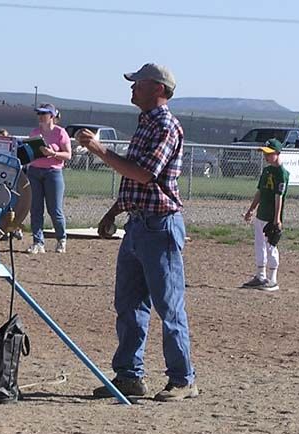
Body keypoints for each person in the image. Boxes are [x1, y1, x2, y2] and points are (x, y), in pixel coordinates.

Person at [76, 63, 197, 401]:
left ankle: (183, 379)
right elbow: (134, 179)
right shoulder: (146, 124)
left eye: (138, 84)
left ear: (158, 89)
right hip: (138, 225)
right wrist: (114, 211)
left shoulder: (166, 127)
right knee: (128, 305)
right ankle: (129, 375)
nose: (132, 89)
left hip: (160, 227)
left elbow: (145, 175)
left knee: (168, 306)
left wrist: (100, 150)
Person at [242, 138, 289, 291]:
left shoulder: (282, 173)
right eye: (265, 153)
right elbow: (260, 192)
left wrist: (276, 219)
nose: (265, 156)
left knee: (271, 246)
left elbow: (279, 197)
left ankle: (273, 279)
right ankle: (260, 276)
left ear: (277, 153)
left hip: (271, 217)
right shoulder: (266, 170)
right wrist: (251, 210)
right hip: (261, 215)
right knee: (259, 245)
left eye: (269, 153)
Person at [25, 103, 71, 254]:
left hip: (53, 172)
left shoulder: (60, 133)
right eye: (39, 114)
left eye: (44, 114)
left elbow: (68, 155)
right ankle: (38, 242)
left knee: (54, 209)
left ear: (52, 116)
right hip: (35, 171)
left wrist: (53, 154)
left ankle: (61, 239)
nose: (40, 117)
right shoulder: (34, 133)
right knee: (36, 209)